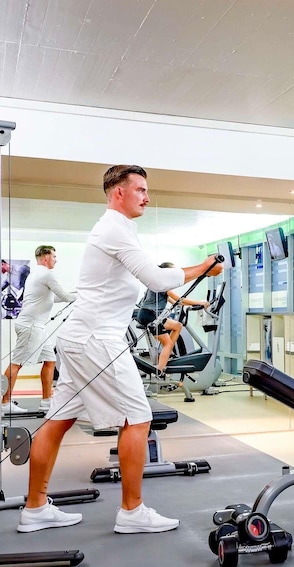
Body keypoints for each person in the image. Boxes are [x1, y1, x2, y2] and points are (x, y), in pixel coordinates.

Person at [17, 164, 223, 535]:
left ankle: (35, 508)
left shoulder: (120, 229)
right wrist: (203, 268)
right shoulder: (113, 228)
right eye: (141, 189)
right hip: (96, 340)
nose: (147, 197)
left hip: (83, 338)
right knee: (138, 418)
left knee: (59, 419)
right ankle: (132, 511)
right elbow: (157, 278)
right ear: (119, 193)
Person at [2, 245, 76, 415]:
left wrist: (76, 294)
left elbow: (53, 298)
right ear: (46, 257)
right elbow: (65, 296)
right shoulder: (46, 274)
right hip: (31, 326)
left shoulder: (36, 274)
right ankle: (5, 402)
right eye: (54, 256)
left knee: (50, 361)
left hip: (37, 326)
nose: (56, 260)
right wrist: (85, 295)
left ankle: (46, 402)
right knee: (17, 363)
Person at [133, 262, 210, 376]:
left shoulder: (157, 284)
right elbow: (180, 300)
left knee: (177, 326)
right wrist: (200, 303)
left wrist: (191, 304)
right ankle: (159, 373)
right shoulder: (163, 284)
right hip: (151, 315)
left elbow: (175, 302)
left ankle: (168, 352)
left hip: (148, 314)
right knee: (168, 343)